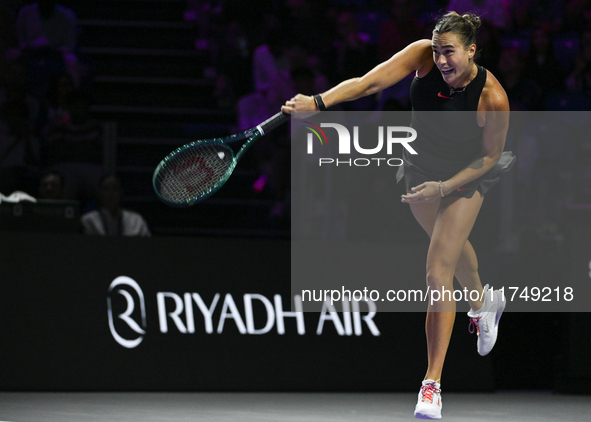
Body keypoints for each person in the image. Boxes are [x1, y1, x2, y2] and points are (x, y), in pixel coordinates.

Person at [282, 11, 514, 420]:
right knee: (453, 252)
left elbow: (490, 157)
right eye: (438, 50)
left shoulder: (491, 97)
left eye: (451, 52)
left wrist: (444, 188)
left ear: (472, 50)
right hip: (421, 171)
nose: (442, 60)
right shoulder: (422, 56)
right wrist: (317, 102)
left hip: (464, 178)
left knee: (437, 271)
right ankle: (483, 303)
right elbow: (369, 82)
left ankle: (432, 385)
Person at [81, 175, 151, 237]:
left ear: (121, 192)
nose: (110, 193)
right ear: (99, 193)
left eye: (115, 189)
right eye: (106, 189)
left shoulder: (136, 220)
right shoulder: (89, 221)